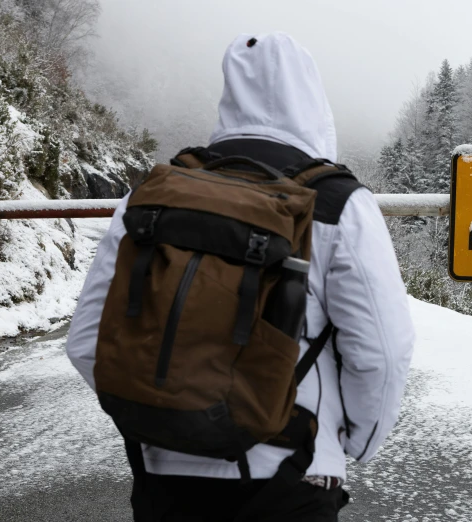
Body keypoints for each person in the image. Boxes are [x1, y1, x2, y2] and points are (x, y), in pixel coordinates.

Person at [66, 31, 415, 522]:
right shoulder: (338, 203)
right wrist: (351, 441)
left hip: (162, 475)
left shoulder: (153, 195)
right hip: (290, 472)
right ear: (314, 100)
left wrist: (159, 411)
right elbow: (381, 350)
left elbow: (87, 340)